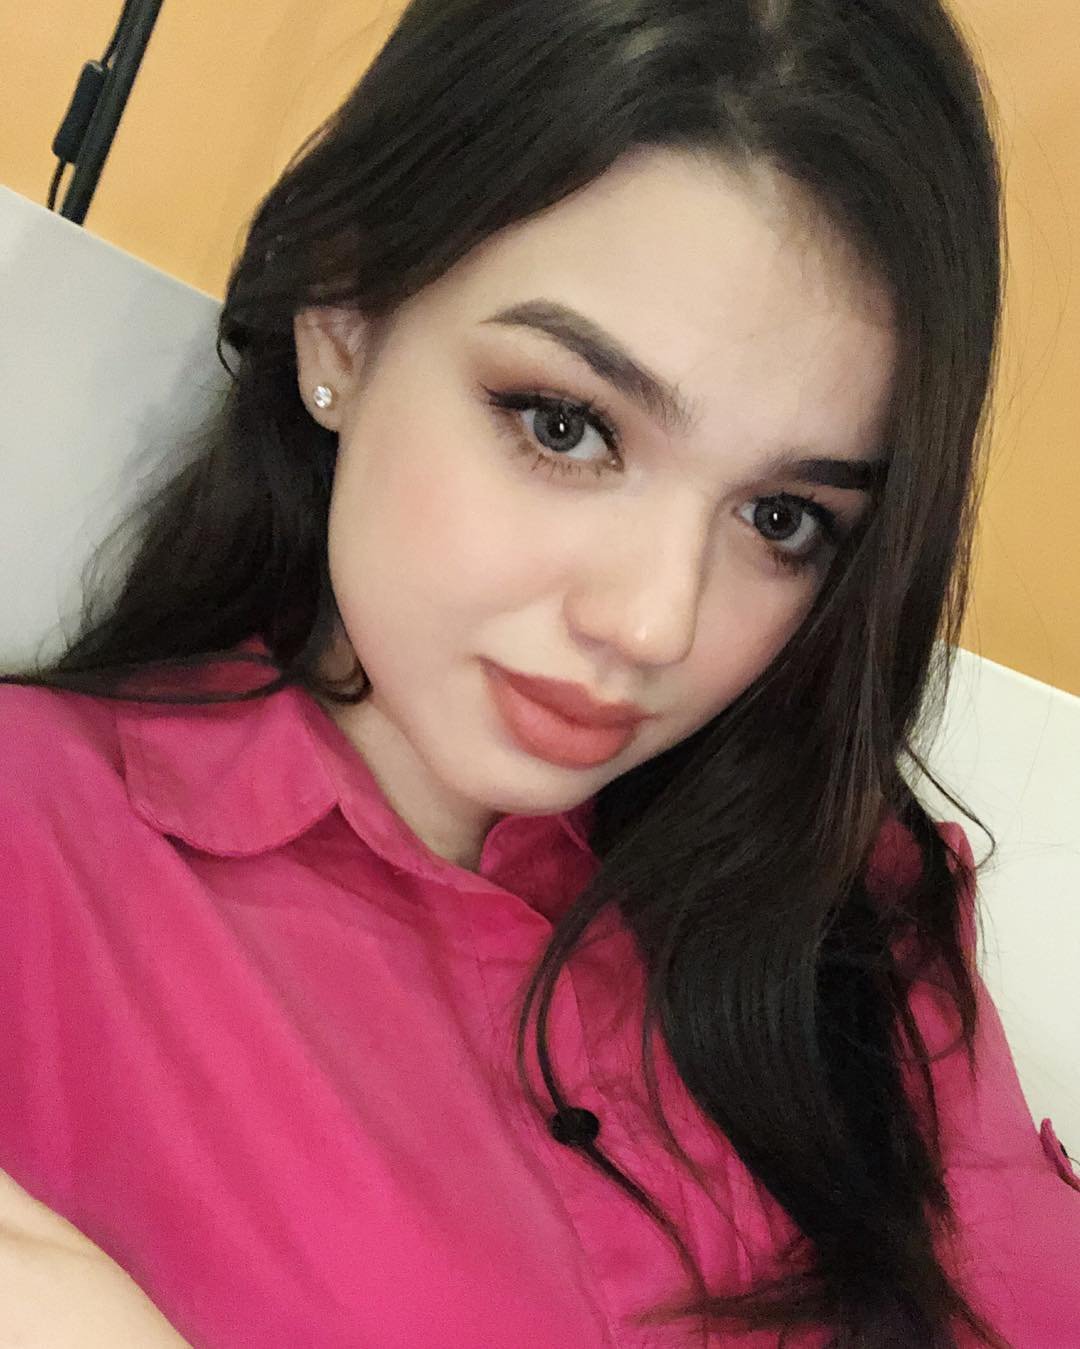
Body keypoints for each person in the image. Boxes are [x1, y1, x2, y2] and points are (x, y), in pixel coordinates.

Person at [1, 0, 1078, 1344]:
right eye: (566, 425)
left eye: (783, 517)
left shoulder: (855, 907)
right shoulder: (34, 849)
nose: (655, 623)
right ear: (343, 322)